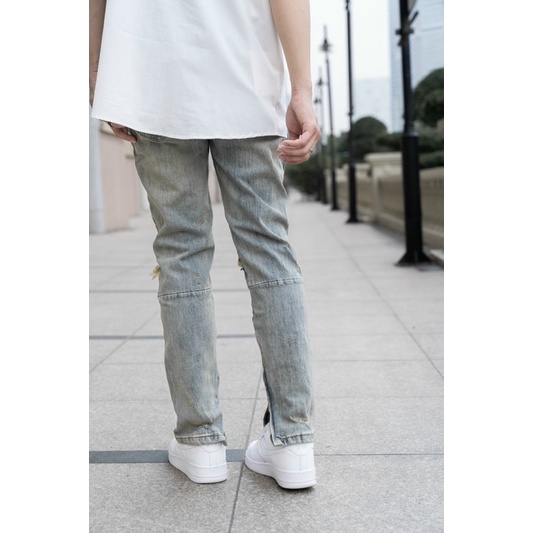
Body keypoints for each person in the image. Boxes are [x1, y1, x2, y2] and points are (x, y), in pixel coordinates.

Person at [90, 0, 320, 490]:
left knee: (181, 253)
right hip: (246, 77)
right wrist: (302, 89)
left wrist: (101, 77)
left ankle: (200, 441)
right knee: (270, 252)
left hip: (153, 80)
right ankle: (293, 440)